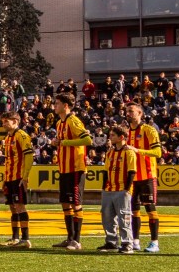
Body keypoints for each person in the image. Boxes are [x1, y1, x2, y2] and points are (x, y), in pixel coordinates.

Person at [50, 94, 92, 250]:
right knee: (65, 203)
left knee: (76, 204)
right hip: (64, 168)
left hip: (76, 168)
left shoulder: (73, 121)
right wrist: (56, 143)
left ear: (66, 105)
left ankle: (77, 240)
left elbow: (88, 140)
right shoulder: (60, 122)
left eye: (58, 103)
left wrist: (63, 142)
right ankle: (69, 238)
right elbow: (63, 142)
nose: (55, 105)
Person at [125, 103, 162, 253]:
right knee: (133, 210)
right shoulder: (126, 132)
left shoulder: (149, 130)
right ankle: (135, 241)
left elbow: (158, 152)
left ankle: (154, 242)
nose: (128, 113)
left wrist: (137, 150)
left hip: (147, 175)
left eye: (131, 111)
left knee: (150, 209)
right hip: (132, 177)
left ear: (140, 113)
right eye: (127, 111)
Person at [99, 124, 136, 254]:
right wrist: (104, 187)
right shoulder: (110, 152)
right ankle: (111, 241)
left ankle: (127, 243)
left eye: (113, 135)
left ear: (121, 137)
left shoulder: (129, 152)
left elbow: (132, 172)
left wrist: (127, 189)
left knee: (124, 216)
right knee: (107, 216)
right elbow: (105, 171)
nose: (110, 137)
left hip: (122, 189)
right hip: (109, 189)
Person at [0, 111, 34, 249]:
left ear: (15, 121)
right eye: (3, 121)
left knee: (20, 206)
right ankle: (15, 238)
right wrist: (5, 179)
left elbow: (29, 156)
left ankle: (25, 239)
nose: (4, 124)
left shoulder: (22, 136)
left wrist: (25, 177)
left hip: (18, 177)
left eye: (6, 121)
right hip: (9, 178)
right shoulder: (7, 138)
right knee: (13, 208)